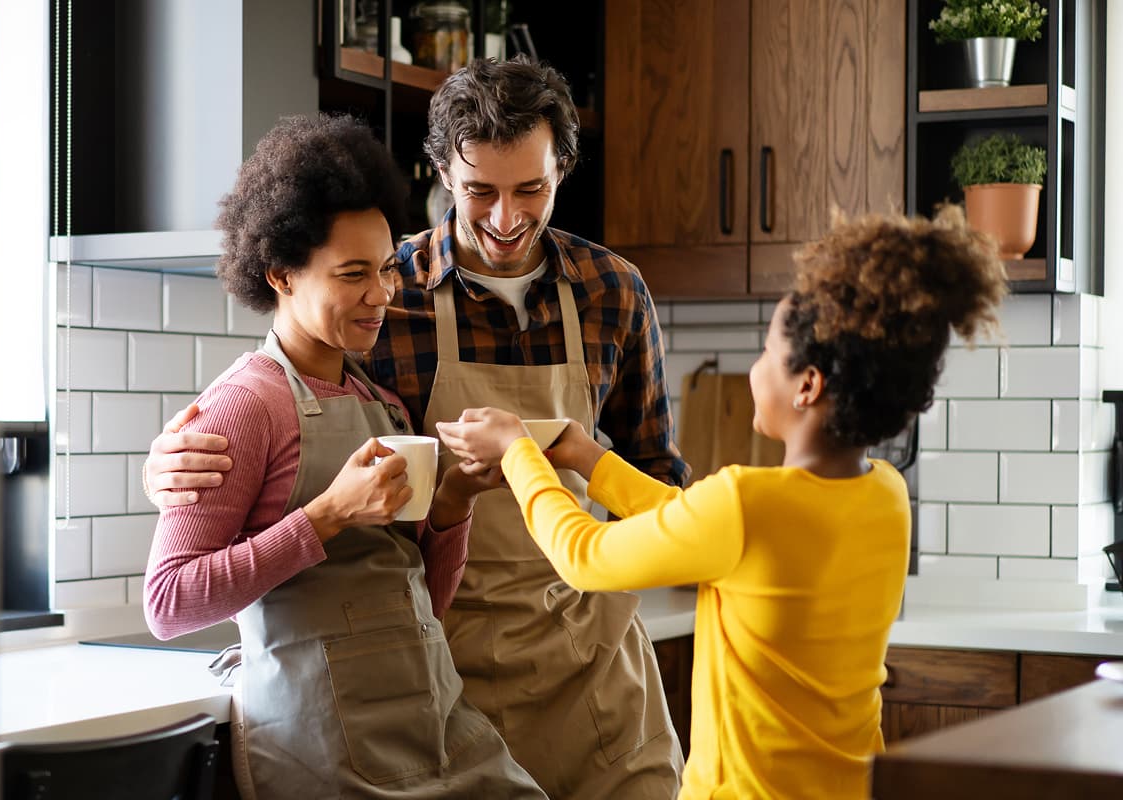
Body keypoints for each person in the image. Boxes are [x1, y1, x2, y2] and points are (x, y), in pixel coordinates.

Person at [144, 57, 686, 799]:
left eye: (532, 188)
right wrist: (170, 468)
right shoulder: (380, 298)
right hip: (452, 685)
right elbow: (276, 429)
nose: (505, 218)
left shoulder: (614, 294)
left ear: (563, 166)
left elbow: (658, 483)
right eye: (479, 191)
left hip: (598, 670)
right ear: (439, 172)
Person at [435, 206, 1008, 799]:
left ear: (807, 384)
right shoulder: (886, 494)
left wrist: (516, 452)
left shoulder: (744, 504)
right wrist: (587, 456)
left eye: (766, 351)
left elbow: (586, 555)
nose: (756, 369)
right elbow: (695, 523)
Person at [142, 114, 545, 799]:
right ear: (281, 275)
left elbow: (416, 601)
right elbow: (169, 602)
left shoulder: (379, 400)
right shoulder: (246, 405)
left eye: (387, 270)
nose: (381, 295)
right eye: (354, 274)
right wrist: (326, 516)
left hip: (432, 718)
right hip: (323, 745)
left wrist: (453, 505)